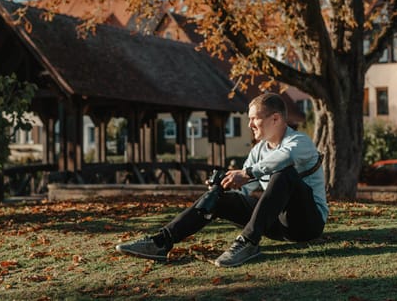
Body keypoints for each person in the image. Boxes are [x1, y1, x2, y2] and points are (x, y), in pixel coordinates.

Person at [116, 92, 329, 267]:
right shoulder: (258, 151)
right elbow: (245, 191)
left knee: (284, 172)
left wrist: (245, 173)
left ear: (275, 118)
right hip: (275, 225)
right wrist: (221, 188)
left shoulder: (299, 141)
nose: (250, 125)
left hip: (306, 224)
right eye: (249, 119)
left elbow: (285, 158)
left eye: (255, 118)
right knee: (218, 197)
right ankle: (161, 242)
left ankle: (248, 242)